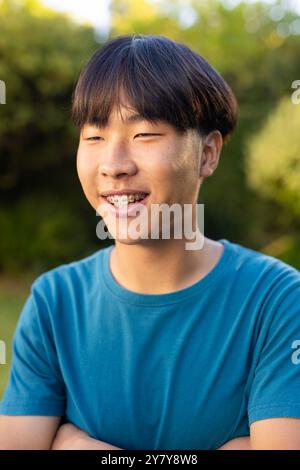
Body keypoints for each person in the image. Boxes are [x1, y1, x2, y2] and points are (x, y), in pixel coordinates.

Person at [1, 34, 300, 451]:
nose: (114, 164)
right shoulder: (55, 303)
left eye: (144, 134)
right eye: (94, 136)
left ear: (208, 153)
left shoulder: (277, 300)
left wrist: (72, 444)